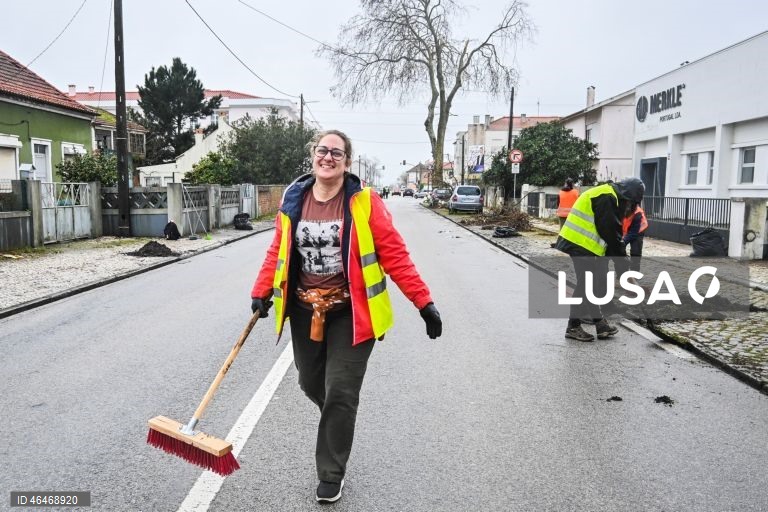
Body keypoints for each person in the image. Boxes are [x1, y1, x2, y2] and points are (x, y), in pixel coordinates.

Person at [250, 129, 443, 503]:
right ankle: (339, 420)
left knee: (340, 390)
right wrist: (261, 291)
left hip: (352, 314)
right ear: (313, 155)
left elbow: (395, 255)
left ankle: (330, 472)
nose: (328, 157)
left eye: (336, 153)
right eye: (322, 150)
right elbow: (278, 250)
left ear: (347, 162)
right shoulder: (294, 198)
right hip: (305, 311)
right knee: (311, 384)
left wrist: (423, 302)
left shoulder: (364, 202)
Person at [554, 177, 645, 342]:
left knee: (590, 284)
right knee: (585, 284)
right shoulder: (607, 197)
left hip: (586, 245)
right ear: (628, 197)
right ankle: (573, 326)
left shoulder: (610, 195)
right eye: (631, 203)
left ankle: (600, 325)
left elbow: (613, 238)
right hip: (579, 243)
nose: (630, 207)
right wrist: (623, 265)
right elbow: (611, 234)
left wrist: (622, 269)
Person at [551, 178, 579, 248]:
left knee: (562, 229)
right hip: (572, 215)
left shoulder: (561, 192)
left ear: (565, 183)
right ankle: (571, 244)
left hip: (562, 214)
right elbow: (578, 203)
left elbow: (558, 203)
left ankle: (560, 244)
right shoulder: (575, 192)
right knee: (571, 229)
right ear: (572, 184)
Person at [622, 202, 648, 272]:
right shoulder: (619, 208)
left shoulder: (638, 213)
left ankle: (634, 273)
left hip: (638, 232)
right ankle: (622, 271)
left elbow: (633, 232)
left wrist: (624, 241)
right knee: (620, 250)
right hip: (625, 231)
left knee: (635, 253)